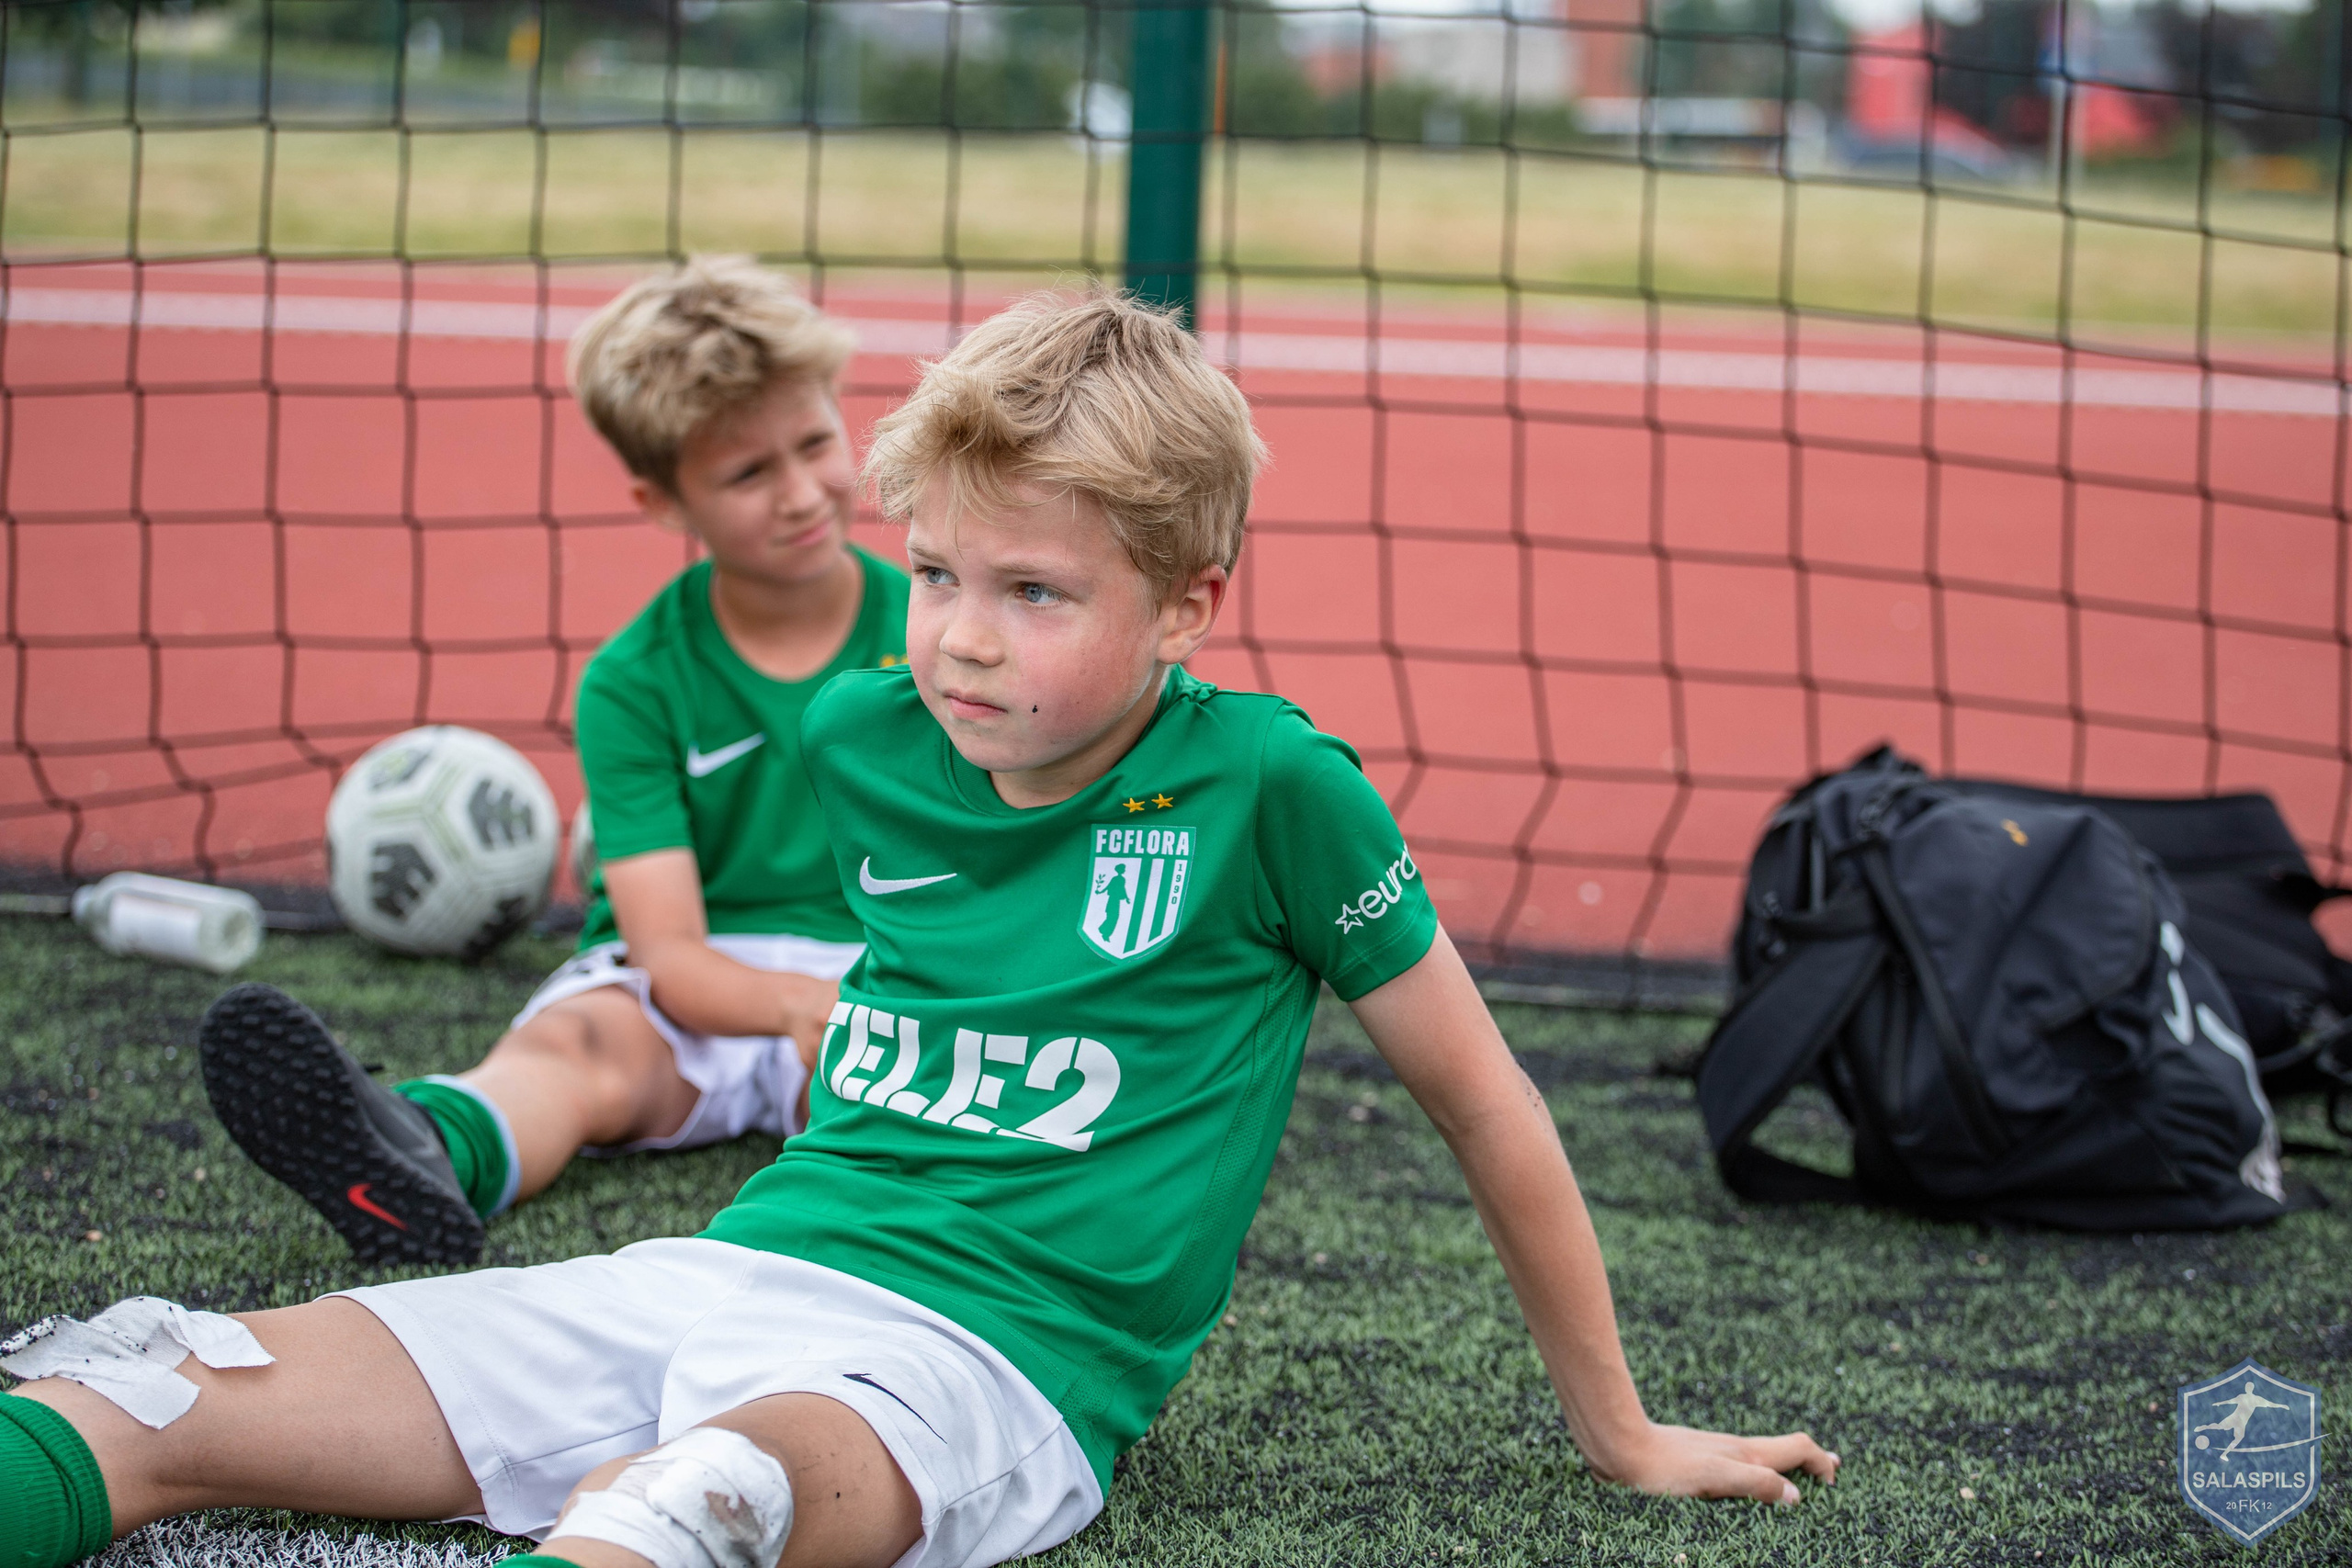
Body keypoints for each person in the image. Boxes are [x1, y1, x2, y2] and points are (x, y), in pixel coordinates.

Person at [1, 289, 1837, 1568]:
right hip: (732, 1266)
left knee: (688, 1506)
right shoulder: (859, 731)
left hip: (983, 1366)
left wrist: (1617, 1426)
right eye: (940, 569)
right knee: (154, 1385)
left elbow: (1487, 1102)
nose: (956, 631)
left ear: (1186, 602)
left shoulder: (1275, 788)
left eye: (1033, 589)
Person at [195, 256, 910, 1266]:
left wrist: (854, 1011)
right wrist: (793, 1003)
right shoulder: (635, 680)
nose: (800, 493)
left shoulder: (934, 632)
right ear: (662, 500)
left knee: (897, 1091)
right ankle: (424, 1149)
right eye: (748, 474)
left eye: (815, 444)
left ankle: (916, 1201)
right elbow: (671, 954)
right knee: (577, 1050)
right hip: (686, 987)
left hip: (875, 971)